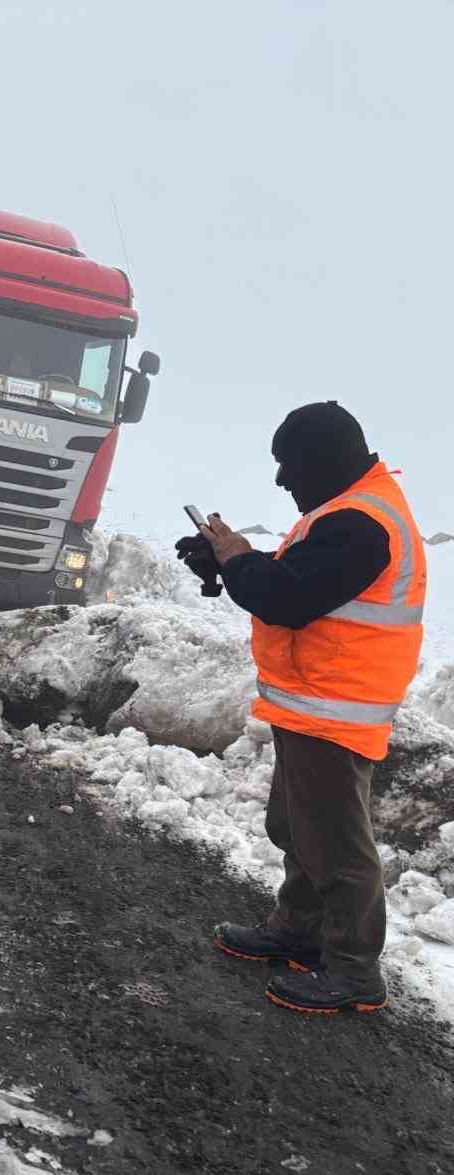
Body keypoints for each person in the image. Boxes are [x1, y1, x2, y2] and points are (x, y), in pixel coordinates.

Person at [176, 401, 426, 1014]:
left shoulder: (361, 523)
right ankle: (299, 933)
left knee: (339, 850)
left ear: (324, 460)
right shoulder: (340, 512)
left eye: (288, 465)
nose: (282, 479)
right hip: (313, 705)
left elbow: (288, 598)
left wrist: (237, 560)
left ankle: (354, 972)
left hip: (338, 711)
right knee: (299, 830)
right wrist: (231, 560)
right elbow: (289, 580)